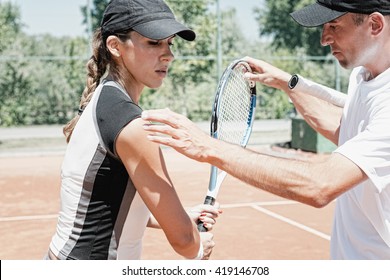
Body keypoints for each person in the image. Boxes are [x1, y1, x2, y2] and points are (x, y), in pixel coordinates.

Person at [141, 0, 390, 259]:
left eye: (334, 26)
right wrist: (288, 85)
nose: (324, 39)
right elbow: (345, 130)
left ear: (374, 24)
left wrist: (208, 146)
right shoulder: (363, 75)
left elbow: (320, 185)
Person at [46, 0, 222, 260]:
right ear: (115, 46)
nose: (168, 54)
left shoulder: (104, 101)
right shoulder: (131, 124)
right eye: (154, 42)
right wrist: (198, 247)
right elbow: (184, 241)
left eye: (170, 43)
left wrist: (181, 216)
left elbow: (108, 205)